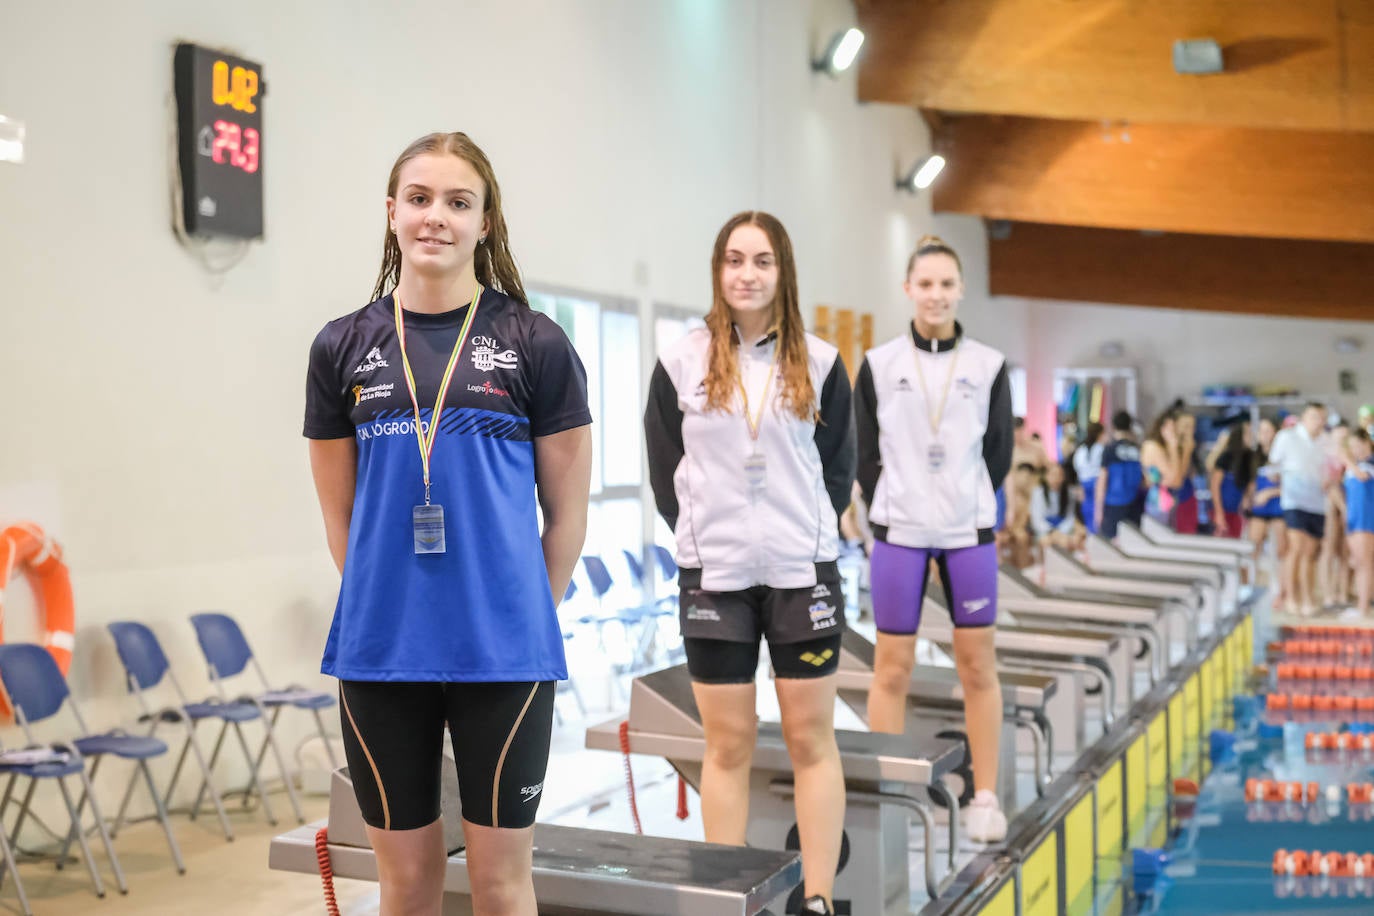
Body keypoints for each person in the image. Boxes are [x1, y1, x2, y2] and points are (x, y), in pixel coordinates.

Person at [305, 132, 593, 916]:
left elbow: (567, 515)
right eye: (420, 198)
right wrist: (387, 603)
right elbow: (341, 517)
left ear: (485, 222)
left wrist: (523, 612)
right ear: (391, 212)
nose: (437, 217)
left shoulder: (535, 343)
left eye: (459, 202)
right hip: (380, 650)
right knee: (405, 881)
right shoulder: (342, 346)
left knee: (501, 882)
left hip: (504, 651)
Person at [644, 211, 855, 916]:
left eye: (761, 261)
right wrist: (708, 539)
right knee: (728, 744)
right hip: (716, 580)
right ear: (718, 269)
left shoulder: (822, 362)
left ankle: (819, 897)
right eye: (734, 260)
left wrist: (798, 533)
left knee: (809, 740)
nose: (746, 274)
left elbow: (838, 471)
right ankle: (728, 900)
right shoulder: (681, 359)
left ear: (782, 271)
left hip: (803, 577)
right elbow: (665, 467)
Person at [855, 234, 1014, 843]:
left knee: (978, 666)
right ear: (907, 289)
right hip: (899, 533)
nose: (936, 295)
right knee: (891, 669)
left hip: (967, 533)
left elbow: (997, 454)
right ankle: (890, 797)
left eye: (947, 284)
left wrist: (959, 498)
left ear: (961, 289)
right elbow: (863, 452)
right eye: (925, 284)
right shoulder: (878, 363)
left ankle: (986, 796)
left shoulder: (989, 365)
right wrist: (897, 499)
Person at [1268, 402, 1330, 616]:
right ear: (1304, 417)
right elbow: (1273, 467)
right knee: (1296, 548)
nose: (1318, 422)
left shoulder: (1326, 441)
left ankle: (1308, 597)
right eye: (1314, 417)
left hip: (1317, 503)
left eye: (1322, 418)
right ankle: (1291, 597)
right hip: (1294, 501)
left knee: (1311, 553)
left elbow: (1330, 470)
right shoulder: (1287, 437)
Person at [1247, 418, 1287, 595]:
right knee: (1253, 545)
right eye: (1261, 431)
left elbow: (1290, 485)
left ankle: (1280, 589)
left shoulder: (1284, 456)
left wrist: (1270, 493)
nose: (1264, 435)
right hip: (1259, 508)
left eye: (1268, 431)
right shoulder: (1254, 456)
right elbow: (1251, 483)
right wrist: (1250, 497)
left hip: (1278, 507)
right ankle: (1250, 584)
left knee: (1281, 549)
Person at [1096, 410, 1146, 539]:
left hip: (1113, 504)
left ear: (1113, 426)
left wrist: (1098, 511)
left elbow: (1102, 482)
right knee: (1133, 542)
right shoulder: (1137, 448)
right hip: (1135, 503)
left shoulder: (1110, 449)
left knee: (1111, 547)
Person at [1140, 409, 1186, 529]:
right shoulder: (1152, 446)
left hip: (1167, 505)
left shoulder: (1168, 448)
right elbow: (1172, 479)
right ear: (1161, 427)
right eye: (1171, 429)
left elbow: (1178, 480)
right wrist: (1173, 446)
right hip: (1156, 505)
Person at [1207, 419, 1253, 540]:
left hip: (1236, 512)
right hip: (1222, 509)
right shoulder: (1226, 457)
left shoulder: (1248, 459)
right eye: (1248, 433)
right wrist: (1219, 513)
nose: (1251, 437)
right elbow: (1214, 485)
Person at [1345, 430, 1374, 617]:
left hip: (1366, 520)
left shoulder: (1369, 464)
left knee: (1364, 563)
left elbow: (1362, 476)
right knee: (1357, 562)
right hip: (1354, 520)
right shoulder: (1353, 466)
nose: (1356, 449)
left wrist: (1344, 458)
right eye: (1352, 446)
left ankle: (1363, 606)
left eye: (1359, 444)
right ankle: (1362, 603)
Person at [1072, 422, 1106, 535]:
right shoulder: (1101, 449)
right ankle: (1095, 535)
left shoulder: (1080, 450)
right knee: (1097, 511)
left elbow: (1077, 468)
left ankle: (1090, 533)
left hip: (1084, 482)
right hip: (1097, 483)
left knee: (1088, 510)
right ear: (1100, 434)